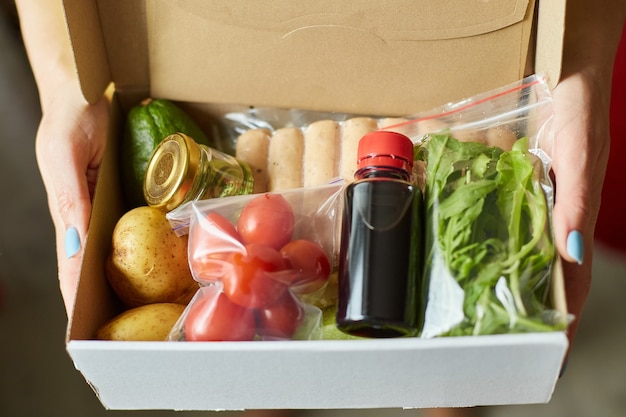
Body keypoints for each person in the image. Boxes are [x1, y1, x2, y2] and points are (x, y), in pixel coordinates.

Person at [13, 0, 626, 416]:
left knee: (443, 344)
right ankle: (271, 395)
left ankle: (450, 393)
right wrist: (68, 80)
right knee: (267, 348)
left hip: (466, 51)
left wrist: (582, 67)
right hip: (206, 34)